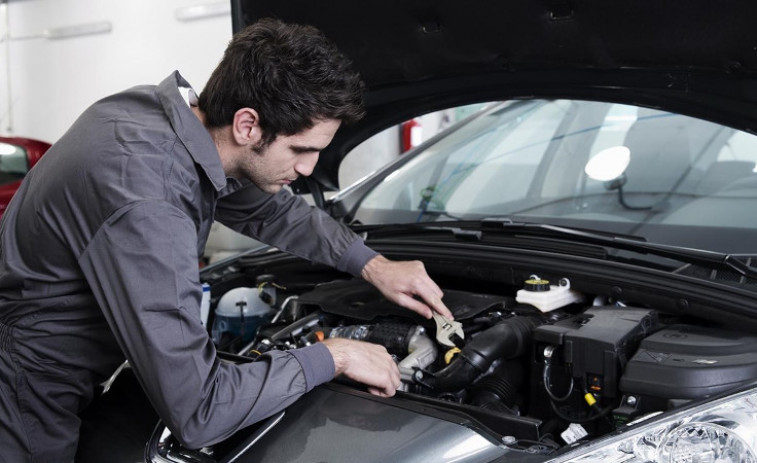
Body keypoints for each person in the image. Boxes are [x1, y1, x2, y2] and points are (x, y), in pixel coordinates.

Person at [0, 18, 452, 463]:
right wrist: (332, 356)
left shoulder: (162, 118)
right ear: (248, 125)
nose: (309, 169)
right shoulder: (147, 196)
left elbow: (270, 209)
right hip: (29, 386)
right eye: (301, 150)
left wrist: (373, 264)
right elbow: (201, 412)